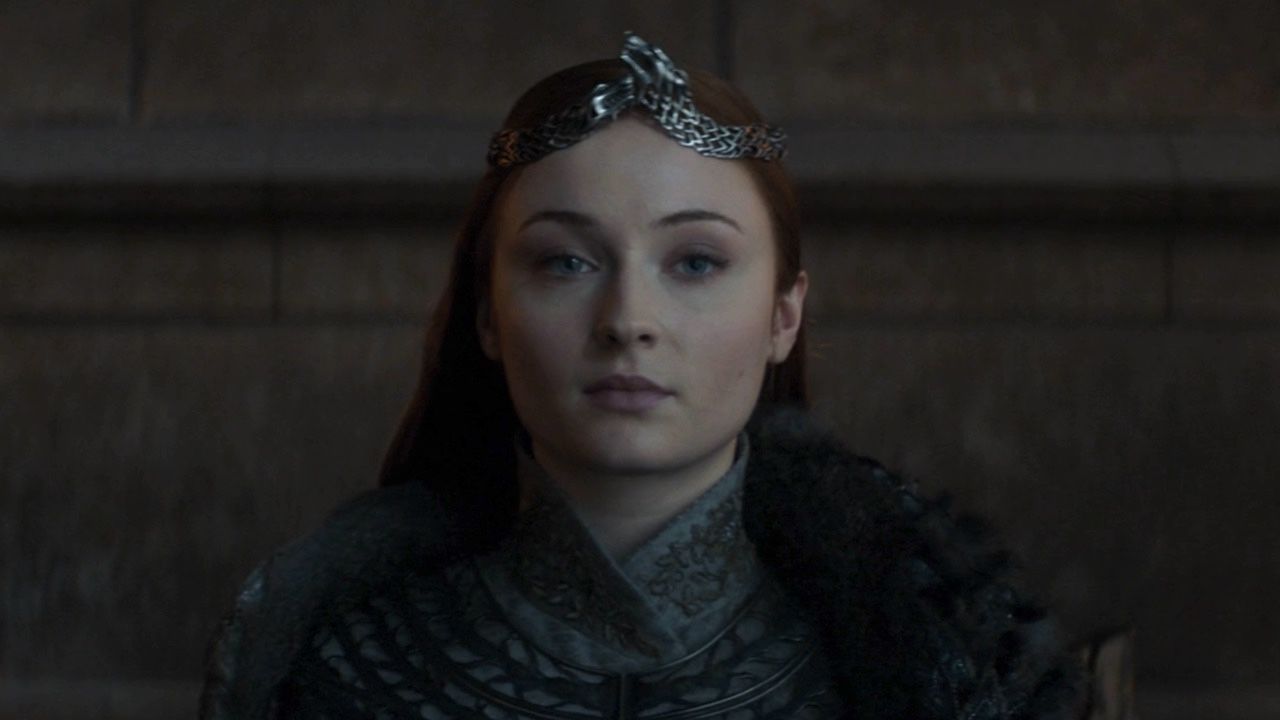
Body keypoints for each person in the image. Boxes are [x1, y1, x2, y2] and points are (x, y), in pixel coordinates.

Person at [200, 35, 1079, 720]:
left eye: (695, 262)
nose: (628, 320)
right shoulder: (347, 664)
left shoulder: (943, 662)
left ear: (784, 315)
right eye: (565, 262)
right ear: (487, 316)